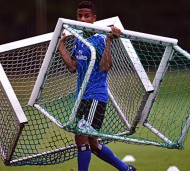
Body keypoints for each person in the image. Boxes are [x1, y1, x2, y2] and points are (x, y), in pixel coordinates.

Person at [58, 1, 137, 171]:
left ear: (94, 18)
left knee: (80, 137)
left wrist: (109, 42)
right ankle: (126, 169)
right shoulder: (79, 40)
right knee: (92, 143)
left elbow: (105, 67)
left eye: (87, 16)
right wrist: (61, 46)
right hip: (81, 97)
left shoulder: (100, 39)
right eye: (79, 15)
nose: (82, 19)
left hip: (95, 96)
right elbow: (72, 67)